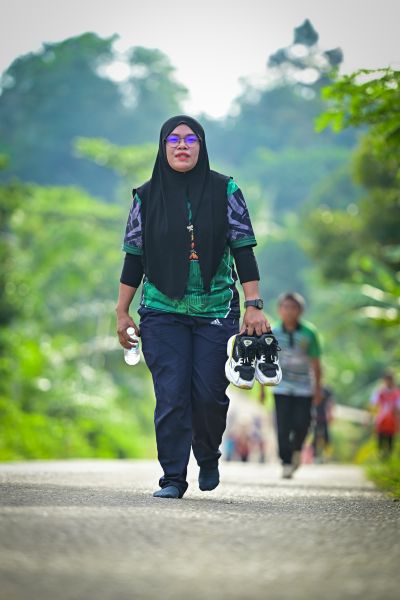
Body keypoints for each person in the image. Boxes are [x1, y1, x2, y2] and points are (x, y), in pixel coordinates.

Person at [116, 115, 272, 499]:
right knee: (171, 395)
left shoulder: (226, 190)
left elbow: (243, 250)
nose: (182, 145)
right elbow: (134, 258)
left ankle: (207, 455)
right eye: (173, 139)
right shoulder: (145, 197)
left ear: (201, 146)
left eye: (190, 139)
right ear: (163, 147)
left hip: (216, 309)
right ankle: (172, 477)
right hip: (161, 310)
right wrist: (122, 311)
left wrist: (253, 304)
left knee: (209, 396)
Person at [267, 292, 322, 479]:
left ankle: (297, 449)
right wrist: (262, 389)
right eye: (285, 307)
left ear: (300, 310)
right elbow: (266, 361)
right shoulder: (273, 332)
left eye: (293, 307)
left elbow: (316, 363)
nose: (289, 311)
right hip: (280, 386)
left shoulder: (309, 333)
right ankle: (286, 462)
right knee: (282, 426)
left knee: (302, 423)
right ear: (279, 310)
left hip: (303, 387)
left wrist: (317, 389)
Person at [370, 371, 400, 457]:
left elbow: (398, 408)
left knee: (390, 442)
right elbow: (373, 405)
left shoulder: (396, 393)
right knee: (380, 441)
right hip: (381, 420)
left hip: (392, 421)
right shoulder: (379, 392)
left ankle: (388, 458)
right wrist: (370, 417)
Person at [311, 385, 334, 462]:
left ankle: (327, 456)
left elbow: (330, 403)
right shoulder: (312, 388)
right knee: (314, 436)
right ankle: (314, 456)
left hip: (324, 416)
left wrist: (330, 413)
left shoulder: (327, 390)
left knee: (326, 436)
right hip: (315, 416)